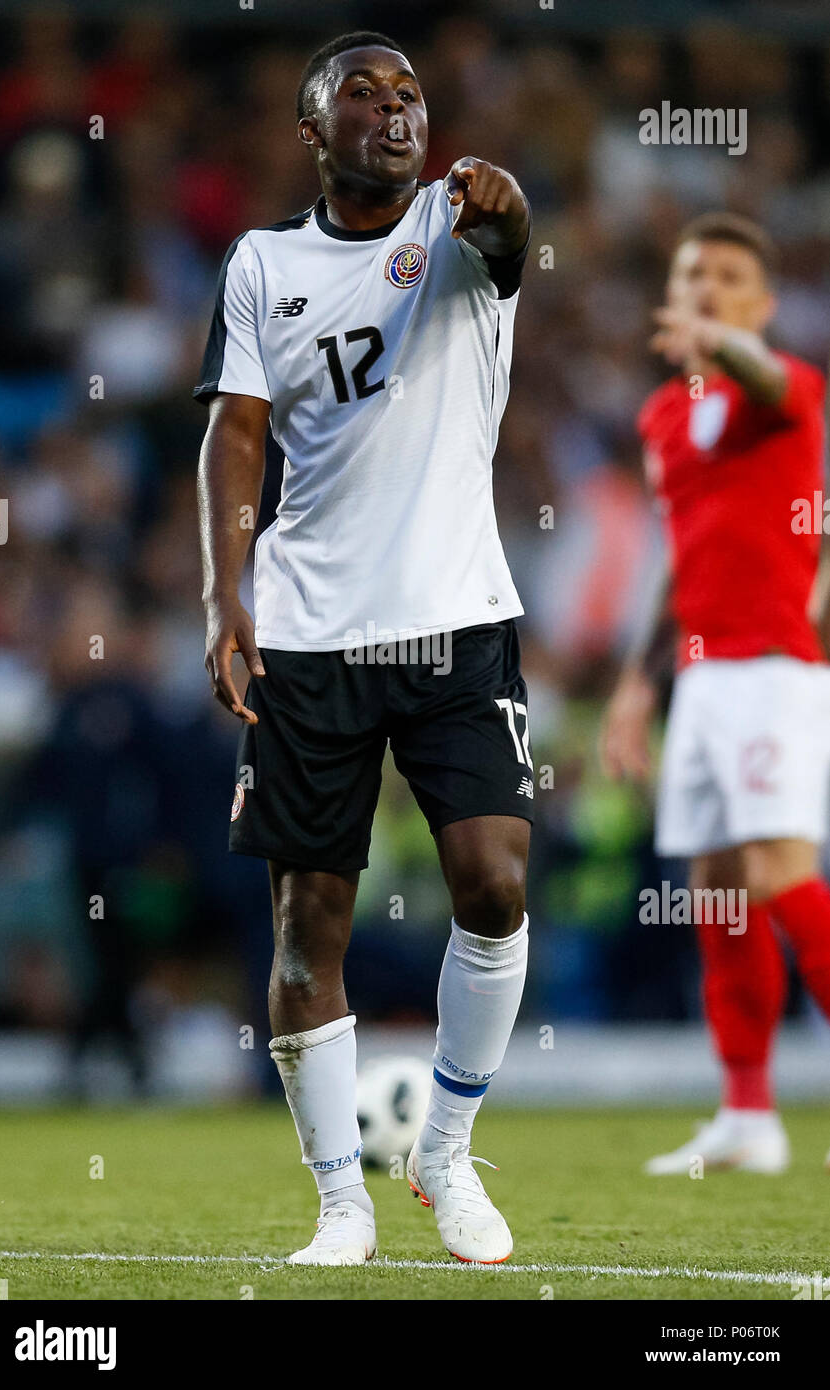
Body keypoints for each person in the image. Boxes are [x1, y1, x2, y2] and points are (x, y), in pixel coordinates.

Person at [194, 32, 534, 1263]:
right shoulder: (263, 263)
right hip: (309, 628)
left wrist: (506, 203)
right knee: (307, 926)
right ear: (311, 128)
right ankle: (342, 1201)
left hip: (456, 617)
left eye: (410, 96)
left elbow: (509, 241)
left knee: (495, 880)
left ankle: (443, 1151)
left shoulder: (457, 226)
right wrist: (224, 596)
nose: (394, 111)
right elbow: (237, 428)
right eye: (364, 94)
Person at [601, 212, 830, 1174]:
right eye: (692, 273)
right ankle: (747, 1114)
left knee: (781, 869)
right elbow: (676, 559)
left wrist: (724, 346)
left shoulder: (786, 389)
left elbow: (768, 375)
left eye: (728, 277)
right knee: (717, 891)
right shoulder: (662, 416)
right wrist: (629, 691)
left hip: (773, 666)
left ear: (759, 304)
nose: (705, 286)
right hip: (696, 677)